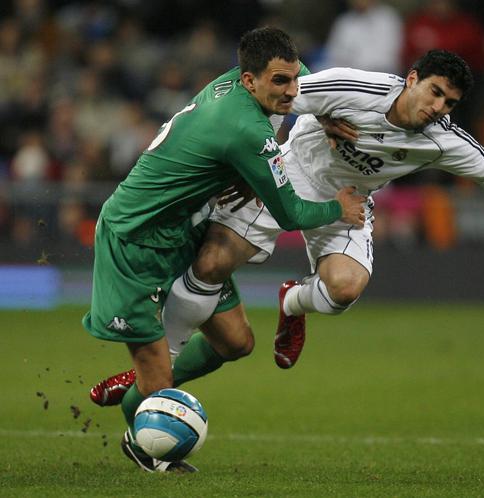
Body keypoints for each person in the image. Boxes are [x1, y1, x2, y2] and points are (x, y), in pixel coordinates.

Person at [91, 49, 484, 407]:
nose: (438, 107)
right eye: (433, 91)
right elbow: (274, 96)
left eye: (450, 102)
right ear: (411, 79)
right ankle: (155, 374)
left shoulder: (443, 141)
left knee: (345, 290)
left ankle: (293, 305)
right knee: (212, 262)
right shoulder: (354, 87)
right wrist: (306, 120)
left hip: (349, 201)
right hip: (290, 174)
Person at [83, 26, 366, 473]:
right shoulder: (243, 127)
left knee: (237, 343)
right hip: (133, 241)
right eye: (280, 82)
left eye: (293, 80)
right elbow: (290, 213)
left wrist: (321, 113)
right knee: (156, 385)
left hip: (181, 229)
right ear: (249, 79)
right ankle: (143, 445)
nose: (292, 91)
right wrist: (339, 207)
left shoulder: (244, 83)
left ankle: (138, 385)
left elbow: (305, 81)